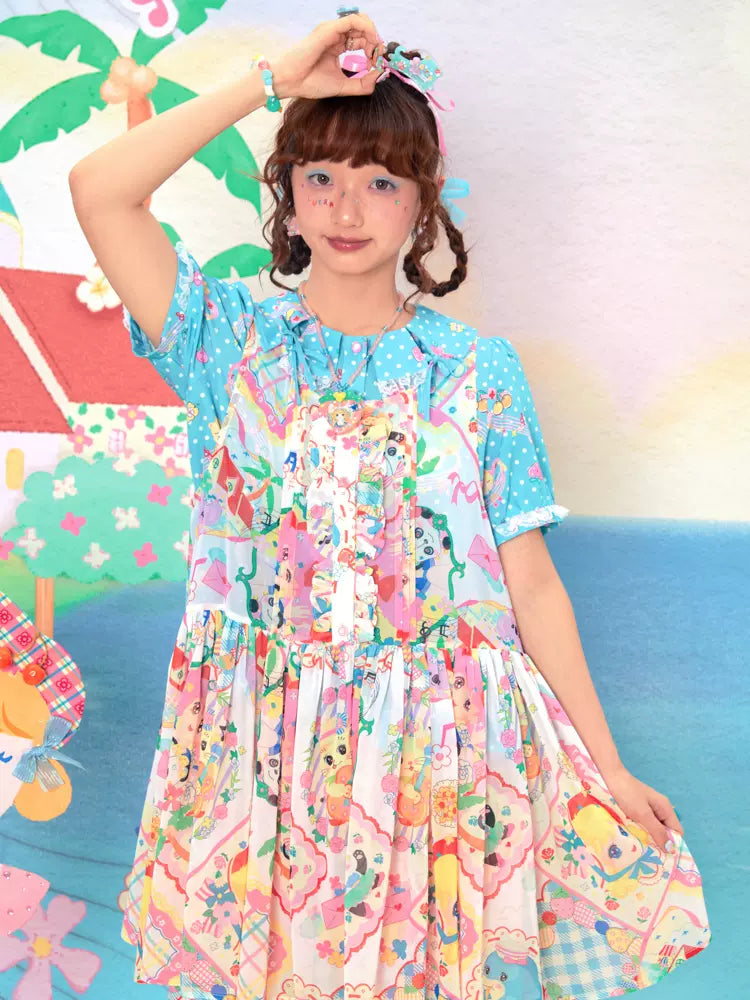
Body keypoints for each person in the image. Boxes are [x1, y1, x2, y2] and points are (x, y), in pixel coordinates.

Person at [68, 10, 711, 999]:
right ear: (286, 195)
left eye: (380, 180)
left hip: (437, 751)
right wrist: (274, 82)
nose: (347, 206)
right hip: (265, 750)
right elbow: (100, 192)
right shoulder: (229, 344)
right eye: (320, 176)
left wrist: (608, 767)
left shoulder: (477, 372)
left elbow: (532, 586)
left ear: (423, 200)